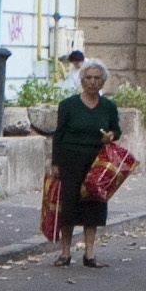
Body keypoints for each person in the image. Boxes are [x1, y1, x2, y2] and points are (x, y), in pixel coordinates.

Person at [51, 58, 122, 268]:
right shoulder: (68, 105)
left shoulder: (108, 106)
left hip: (96, 161)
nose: (92, 82)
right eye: (88, 78)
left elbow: (116, 130)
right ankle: (65, 253)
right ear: (82, 80)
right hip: (70, 159)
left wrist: (111, 135)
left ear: (103, 81)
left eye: (97, 78)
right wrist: (55, 163)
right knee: (68, 206)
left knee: (94, 205)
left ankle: (89, 253)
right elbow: (58, 135)